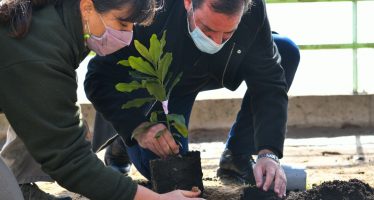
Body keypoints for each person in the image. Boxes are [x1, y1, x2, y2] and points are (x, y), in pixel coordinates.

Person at [84, 0, 300, 198]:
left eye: (227, 34)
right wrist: (136, 126)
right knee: (178, 178)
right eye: (207, 29)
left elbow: (269, 81)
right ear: (188, 3)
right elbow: (98, 79)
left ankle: (238, 155)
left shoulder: (251, 8)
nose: (215, 42)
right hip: (159, 85)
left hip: (211, 71)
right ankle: (123, 142)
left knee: (285, 51)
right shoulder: (149, 9)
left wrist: (268, 152)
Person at [0, 0, 204, 199]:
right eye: (122, 24)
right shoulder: (40, 55)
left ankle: (21, 187)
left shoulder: (62, 21)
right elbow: (72, 163)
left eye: (132, 26)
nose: (128, 36)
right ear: (87, 7)